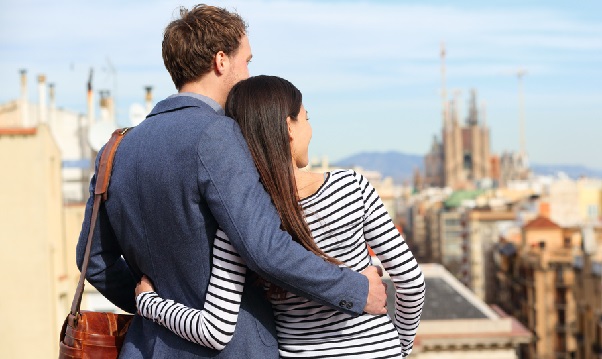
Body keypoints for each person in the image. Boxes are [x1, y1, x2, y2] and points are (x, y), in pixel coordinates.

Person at [75, 5, 388, 358]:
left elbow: (95, 260)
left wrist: (152, 305)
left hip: (145, 348)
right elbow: (265, 248)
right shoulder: (218, 135)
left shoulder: (116, 148)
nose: (248, 72)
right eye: (247, 61)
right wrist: (356, 289)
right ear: (221, 61)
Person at [134, 75, 426, 358]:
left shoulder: (242, 217)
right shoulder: (352, 188)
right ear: (289, 127)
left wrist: (149, 303)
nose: (310, 130)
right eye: (307, 118)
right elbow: (411, 282)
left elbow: (214, 330)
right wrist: (398, 347)